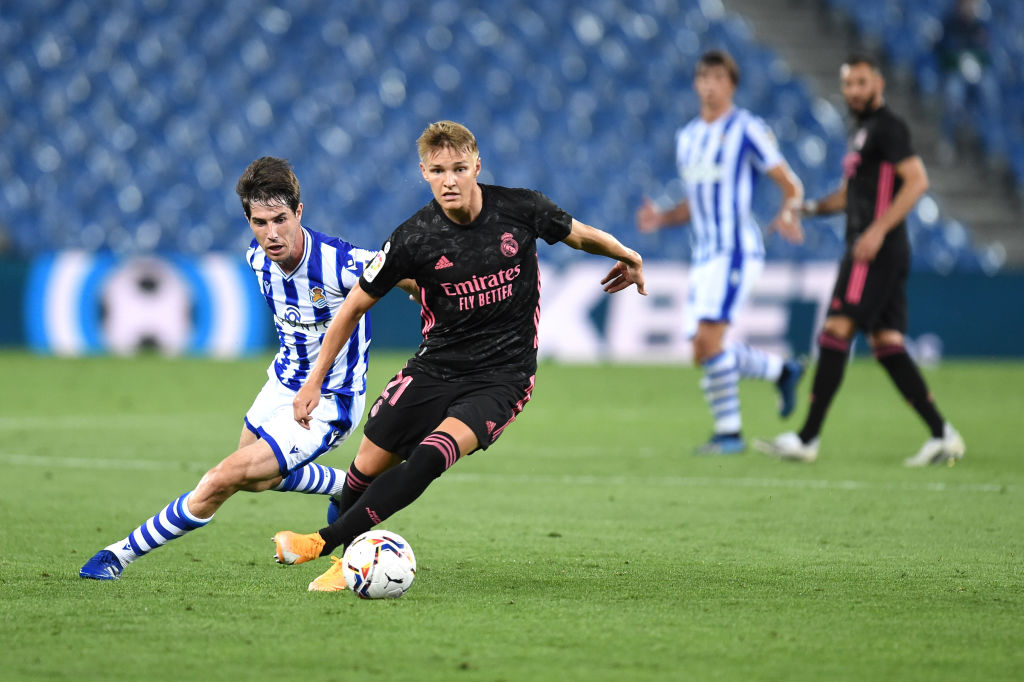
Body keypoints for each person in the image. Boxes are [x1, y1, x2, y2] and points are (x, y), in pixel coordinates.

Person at [270, 120, 647, 592]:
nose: (450, 179)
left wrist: (626, 253)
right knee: (364, 471)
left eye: (459, 168)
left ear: (477, 167)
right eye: (438, 170)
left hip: (501, 378)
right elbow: (351, 309)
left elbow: (578, 234)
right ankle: (349, 561)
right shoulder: (413, 239)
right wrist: (312, 383)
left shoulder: (522, 208)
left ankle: (321, 544)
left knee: (431, 457)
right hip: (435, 367)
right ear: (424, 172)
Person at [79, 157, 400, 579]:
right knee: (255, 477)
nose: (271, 233)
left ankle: (118, 554)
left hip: (329, 399)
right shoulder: (257, 258)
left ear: (299, 212)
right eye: (259, 221)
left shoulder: (341, 262)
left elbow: (404, 273)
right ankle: (344, 486)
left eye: (280, 219)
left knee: (222, 477)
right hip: (282, 383)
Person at [755, 55, 966, 466]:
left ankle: (807, 438)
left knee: (836, 330)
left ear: (878, 84)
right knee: (887, 343)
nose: (853, 90)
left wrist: (876, 230)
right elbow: (851, 194)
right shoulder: (862, 133)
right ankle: (943, 435)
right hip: (877, 248)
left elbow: (918, 180)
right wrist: (807, 208)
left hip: (874, 250)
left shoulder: (888, 127)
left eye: (861, 82)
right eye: (848, 83)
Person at [635, 49, 807, 455]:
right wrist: (661, 218)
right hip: (705, 254)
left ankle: (729, 433)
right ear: (696, 84)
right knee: (702, 349)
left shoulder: (748, 129)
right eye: (703, 78)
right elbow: (696, 201)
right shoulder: (688, 137)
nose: (709, 85)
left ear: (731, 84)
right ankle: (782, 370)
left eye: (717, 78)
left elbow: (791, 183)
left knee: (711, 340)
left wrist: (788, 212)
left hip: (735, 251)